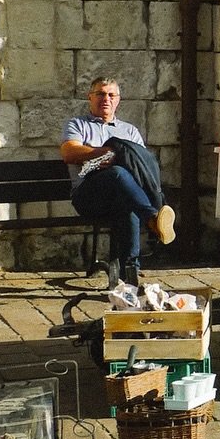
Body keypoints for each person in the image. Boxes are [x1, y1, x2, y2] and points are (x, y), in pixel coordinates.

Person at [60, 77, 175, 286]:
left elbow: (143, 166)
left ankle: (129, 279)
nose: (106, 99)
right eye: (100, 94)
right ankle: (152, 218)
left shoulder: (129, 131)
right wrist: (104, 154)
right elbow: (69, 152)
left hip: (122, 197)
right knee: (118, 173)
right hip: (89, 196)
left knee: (128, 203)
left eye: (111, 95)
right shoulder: (78, 125)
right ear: (90, 98)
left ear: (118, 100)